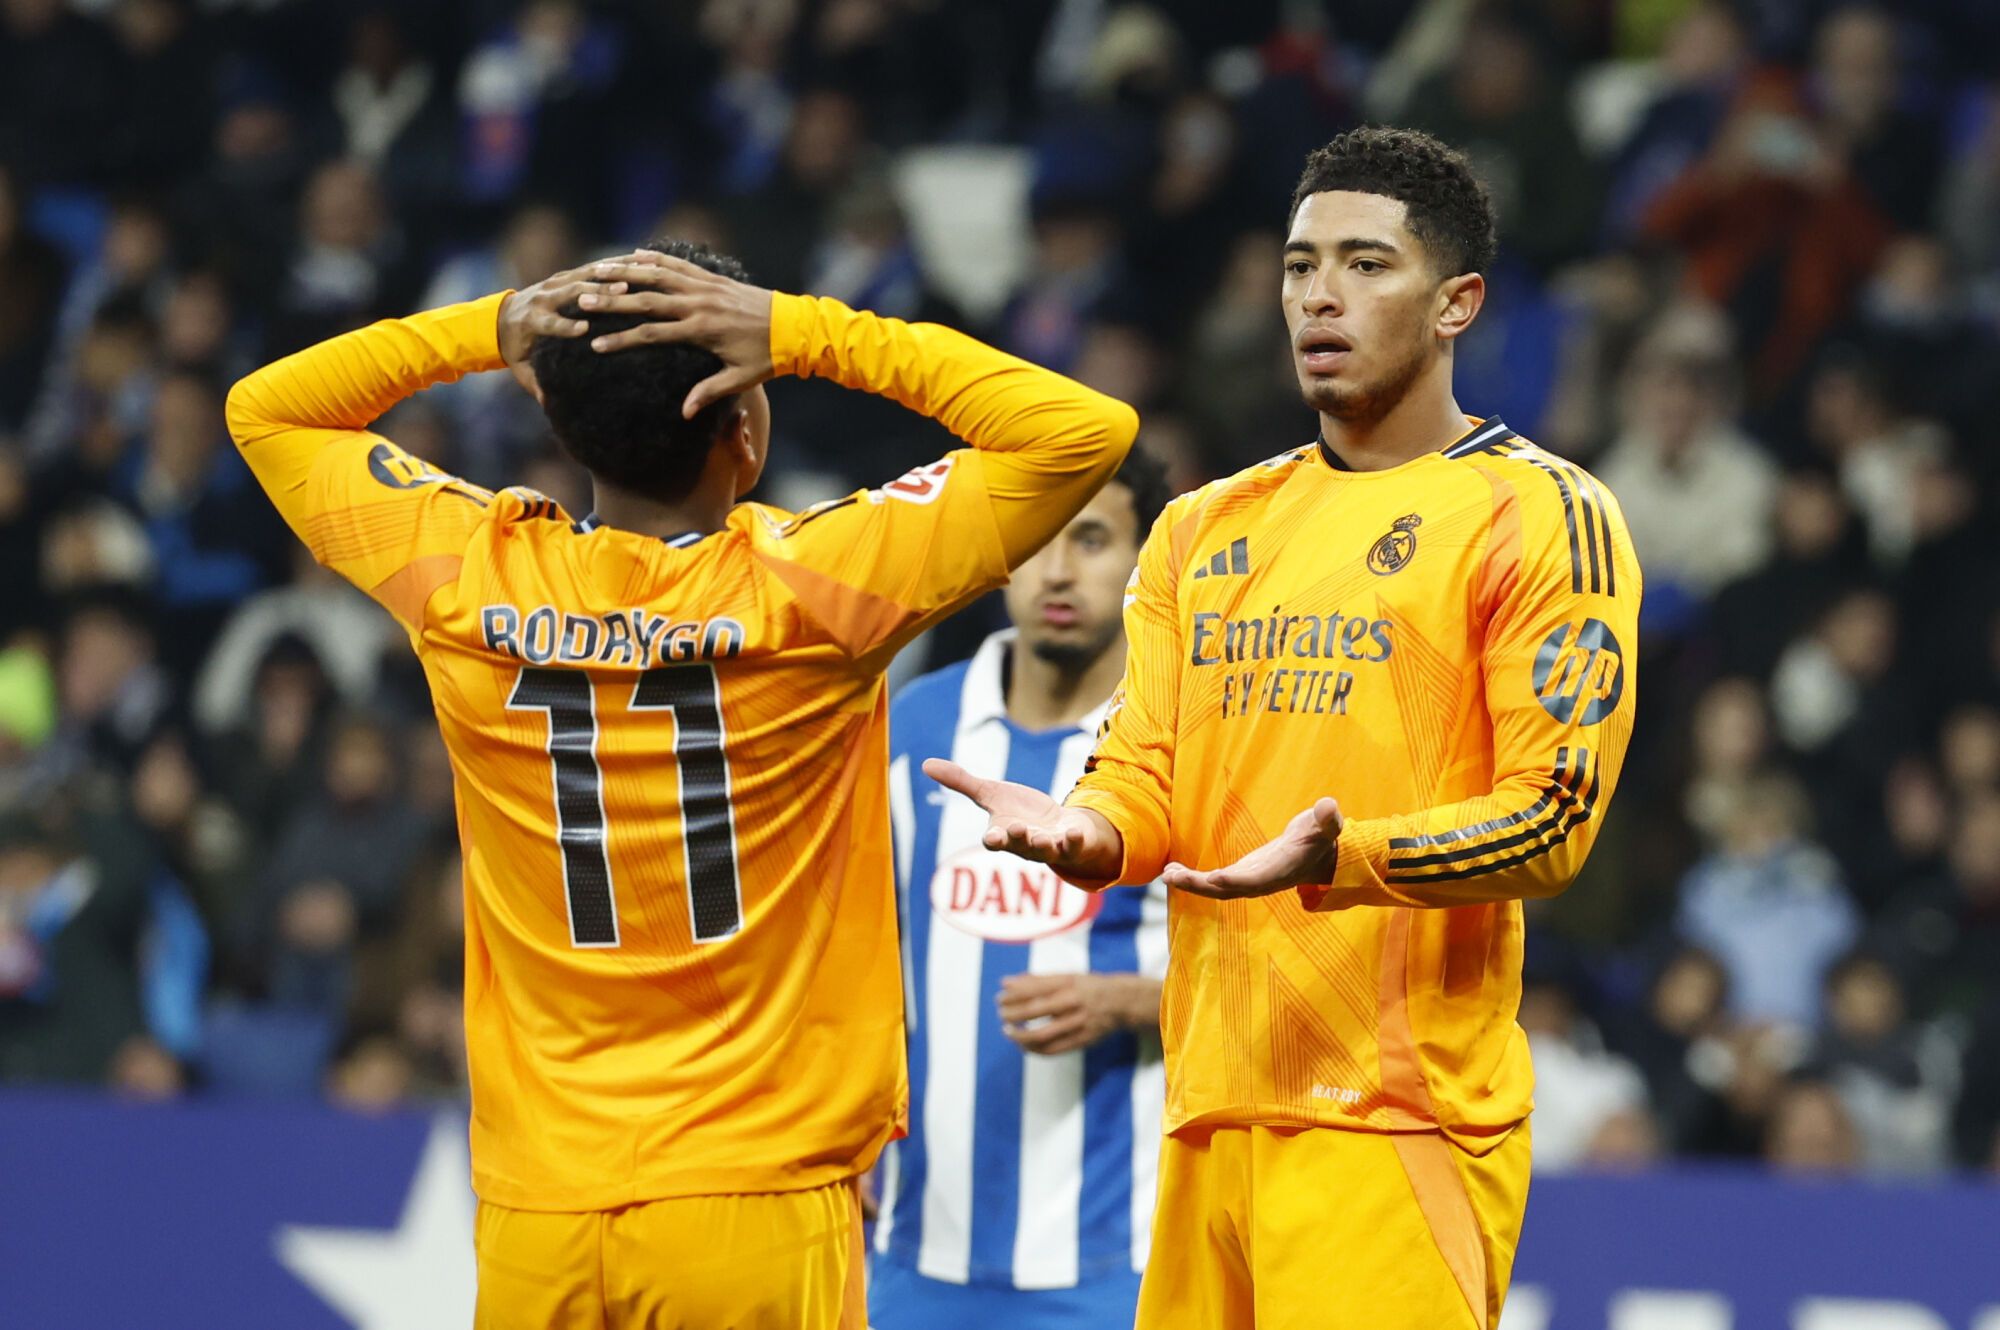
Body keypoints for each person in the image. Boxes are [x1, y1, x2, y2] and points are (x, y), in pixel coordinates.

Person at [225, 240, 1138, 1328]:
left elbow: (265, 410)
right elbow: (1084, 429)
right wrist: (800, 329)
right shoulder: (818, 591)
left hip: (541, 1213)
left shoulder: (466, 577)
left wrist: (494, 326)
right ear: (742, 427)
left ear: (557, 424)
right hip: (752, 1199)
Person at [927, 126, 1640, 1328]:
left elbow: (1553, 818)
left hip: (1394, 1120)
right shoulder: (1203, 526)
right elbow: (1144, 767)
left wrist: (1344, 856)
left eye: (1365, 265)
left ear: (1455, 301)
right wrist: (1091, 829)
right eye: (1299, 265)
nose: (1318, 295)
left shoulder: (1537, 513)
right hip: (1209, 1112)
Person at [872, 448, 1174, 1330]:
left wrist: (1129, 1000)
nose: (1057, 569)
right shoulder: (913, 729)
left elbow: (1266, 977)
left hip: (1118, 1265)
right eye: (1036, 540)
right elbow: (847, 957)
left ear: (1142, 561)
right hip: (915, 1257)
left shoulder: (1181, 742)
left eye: (1091, 539)